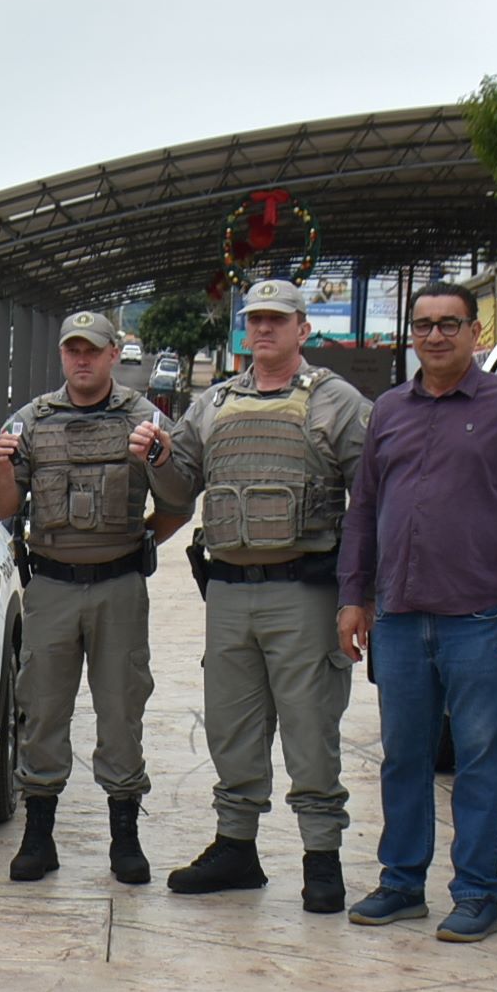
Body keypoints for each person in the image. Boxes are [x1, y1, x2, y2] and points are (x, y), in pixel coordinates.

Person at [336, 280, 497, 943]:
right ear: (411, 334)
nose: (435, 336)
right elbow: (365, 509)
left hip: (482, 620)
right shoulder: (389, 410)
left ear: (475, 333)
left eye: (449, 324)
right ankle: (402, 883)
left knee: (481, 761)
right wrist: (354, 596)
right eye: (424, 325)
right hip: (400, 619)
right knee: (403, 757)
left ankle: (477, 895)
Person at [139, 278, 372, 912]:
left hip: (305, 590)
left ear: (303, 329)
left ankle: (322, 859)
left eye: (277, 319)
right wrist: (158, 458)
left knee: (310, 727)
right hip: (229, 592)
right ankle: (236, 847)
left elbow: (372, 500)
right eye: (255, 319)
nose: (263, 329)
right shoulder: (213, 404)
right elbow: (180, 488)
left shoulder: (337, 401)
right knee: (231, 725)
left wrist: (360, 592)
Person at [0, 309, 181, 884]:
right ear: (63, 356)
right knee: (42, 708)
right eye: (74, 350)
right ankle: (38, 835)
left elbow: (178, 499)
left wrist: (147, 523)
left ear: (114, 354)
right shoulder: (30, 421)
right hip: (51, 587)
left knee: (121, 710)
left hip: (119, 587)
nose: (83, 359)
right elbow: (1, 506)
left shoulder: (146, 418)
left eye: (94, 350)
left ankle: (125, 836)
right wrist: (1, 466)